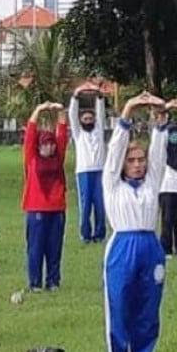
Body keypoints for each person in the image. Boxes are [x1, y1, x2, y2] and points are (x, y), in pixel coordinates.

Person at [101, 91, 167, 352]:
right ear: (123, 164)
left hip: (150, 247)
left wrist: (161, 118)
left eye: (141, 160)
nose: (138, 165)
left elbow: (159, 154)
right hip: (122, 247)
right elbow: (115, 148)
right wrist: (128, 110)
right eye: (132, 161)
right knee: (119, 308)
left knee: (148, 311)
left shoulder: (152, 182)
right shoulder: (112, 184)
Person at [21, 101, 69, 292]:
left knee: (55, 247)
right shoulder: (32, 159)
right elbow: (30, 135)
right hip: (36, 209)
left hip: (57, 209)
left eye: (51, 144)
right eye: (45, 144)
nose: (49, 147)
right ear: (39, 146)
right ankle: (35, 283)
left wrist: (60, 111)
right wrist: (38, 110)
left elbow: (62, 134)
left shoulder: (58, 158)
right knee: (36, 248)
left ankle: (53, 281)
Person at [69, 82, 109, 243]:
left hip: (100, 170)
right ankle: (85, 234)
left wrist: (99, 96)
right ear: (81, 121)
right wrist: (76, 96)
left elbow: (101, 114)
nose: (88, 121)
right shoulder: (78, 134)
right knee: (85, 205)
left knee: (100, 203)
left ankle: (99, 234)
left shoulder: (98, 131)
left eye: (91, 118)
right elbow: (72, 115)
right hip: (83, 172)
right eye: (85, 119)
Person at [158, 99, 177, 256]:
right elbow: (159, 131)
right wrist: (165, 110)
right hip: (166, 187)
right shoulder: (162, 142)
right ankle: (166, 248)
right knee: (167, 219)